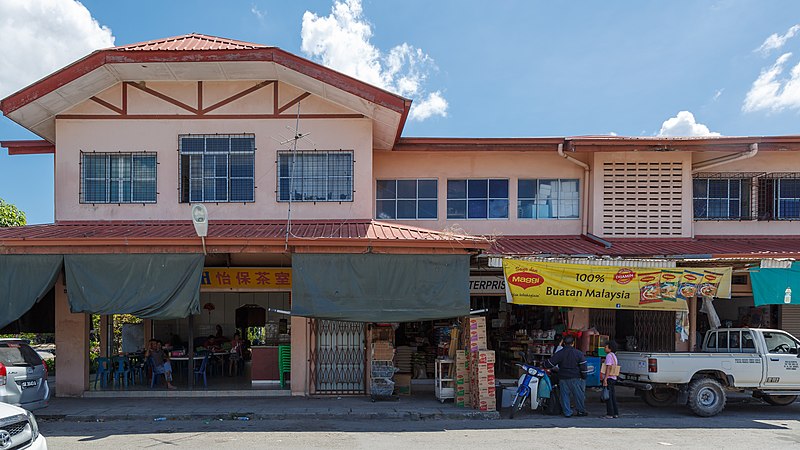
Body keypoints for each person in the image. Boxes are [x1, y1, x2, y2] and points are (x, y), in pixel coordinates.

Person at [542, 335, 589, 418]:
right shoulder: (578, 353)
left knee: (564, 396)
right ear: (573, 343)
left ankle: (567, 412)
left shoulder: (560, 353)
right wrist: (584, 376)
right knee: (578, 395)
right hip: (576, 378)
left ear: (563, 343)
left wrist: (543, 364)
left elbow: (549, 364)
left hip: (563, 378)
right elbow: (583, 367)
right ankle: (581, 411)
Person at [601, 341, 620, 419]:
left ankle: (610, 413)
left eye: (606, 347)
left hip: (609, 378)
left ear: (610, 348)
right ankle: (615, 413)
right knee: (612, 396)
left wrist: (605, 379)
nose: (604, 348)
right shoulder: (614, 356)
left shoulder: (609, 356)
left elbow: (608, 367)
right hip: (614, 378)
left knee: (608, 397)